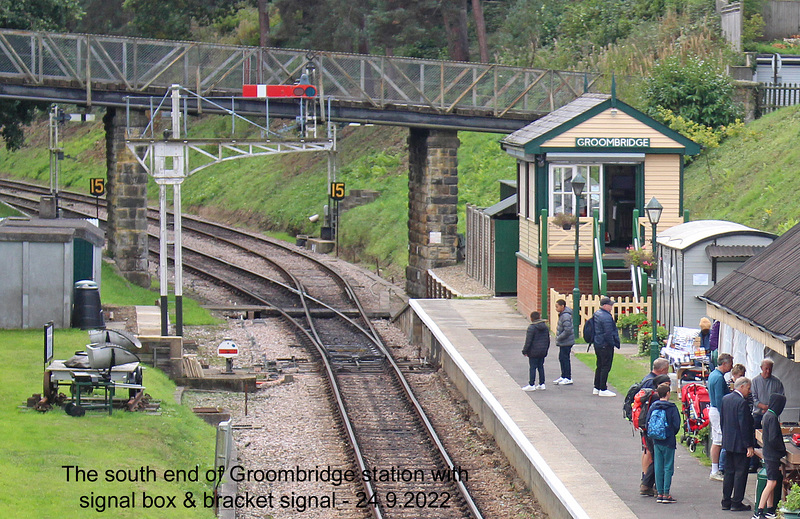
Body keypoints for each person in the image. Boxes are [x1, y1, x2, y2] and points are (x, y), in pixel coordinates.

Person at [721, 377, 755, 512]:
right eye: (748, 388)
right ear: (742, 387)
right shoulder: (742, 403)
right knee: (740, 473)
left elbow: (723, 421)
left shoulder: (725, 399)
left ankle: (726, 500)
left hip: (728, 442)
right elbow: (744, 425)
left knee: (729, 472)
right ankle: (736, 501)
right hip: (740, 443)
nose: (749, 391)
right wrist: (749, 445)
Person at [647, 383, 681, 504]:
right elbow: (676, 425)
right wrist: (670, 433)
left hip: (656, 441)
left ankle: (659, 493)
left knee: (658, 466)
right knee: (668, 467)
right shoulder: (671, 408)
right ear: (667, 393)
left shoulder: (653, 407)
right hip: (668, 441)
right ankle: (666, 493)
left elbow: (648, 422)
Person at [754, 393, 787, 519]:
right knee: (772, 483)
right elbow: (774, 439)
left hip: (767, 453)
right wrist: (782, 450)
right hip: (773, 455)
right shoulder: (773, 418)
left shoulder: (767, 415)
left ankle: (770, 510)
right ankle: (759, 511)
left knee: (770, 480)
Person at [639, 373, 672, 497]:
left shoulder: (651, 396)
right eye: (666, 385)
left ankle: (648, 484)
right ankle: (647, 484)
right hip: (657, 433)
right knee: (659, 459)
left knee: (654, 457)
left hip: (649, 431)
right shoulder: (657, 399)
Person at [708, 353, 734, 482]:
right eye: (730, 364)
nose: (731, 367)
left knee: (717, 440)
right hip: (717, 411)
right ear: (724, 364)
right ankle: (715, 470)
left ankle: (715, 468)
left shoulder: (713, 375)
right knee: (718, 440)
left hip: (713, 409)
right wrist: (724, 413)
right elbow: (719, 398)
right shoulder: (718, 378)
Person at [592, 297, 621, 397]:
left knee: (599, 365)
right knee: (606, 366)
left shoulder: (597, 314)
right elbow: (608, 332)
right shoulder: (606, 317)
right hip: (605, 345)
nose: (612, 307)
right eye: (610, 305)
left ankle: (597, 387)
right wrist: (612, 343)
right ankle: (603, 388)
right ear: (605, 306)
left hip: (598, 343)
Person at [521, 311, 550, 391]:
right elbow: (548, 340)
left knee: (532, 367)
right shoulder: (545, 327)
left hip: (533, 351)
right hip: (542, 351)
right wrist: (546, 349)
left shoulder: (532, 328)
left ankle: (531, 384)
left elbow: (528, 341)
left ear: (532, 318)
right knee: (541, 366)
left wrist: (525, 351)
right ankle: (542, 383)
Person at [752, 358, 785, 430]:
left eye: (770, 369)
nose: (768, 371)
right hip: (758, 415)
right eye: (766, 369)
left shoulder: (777, 382)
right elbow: (753, 398)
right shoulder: (755, 381)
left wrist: (769, 409)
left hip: (772, 415)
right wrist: (764, 407)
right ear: (761, 368)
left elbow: (781, 399)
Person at [553, 299, 575, 385]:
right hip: (564, 341)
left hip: (566, 341)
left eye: (557, 306)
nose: (556, 308)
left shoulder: (565, 316)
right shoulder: (563, 315)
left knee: (565, 358)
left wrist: (559, 338)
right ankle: (563, 376)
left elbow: (567, 330)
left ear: (562, 306)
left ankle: (568, 377)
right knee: (562, 358)